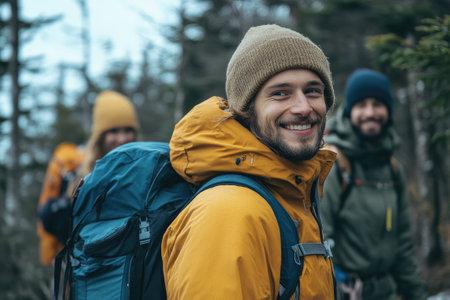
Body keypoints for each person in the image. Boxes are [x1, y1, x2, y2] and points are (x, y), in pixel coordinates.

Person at [161, 24, 337, 299]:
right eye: (280, 93)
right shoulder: (229, 212)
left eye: (313, 91)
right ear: (246, 110)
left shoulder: (293, 194)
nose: (303, 107)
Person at [320, 69, 428, 300]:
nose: (370, 112)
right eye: (361, 105)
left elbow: (404, 244)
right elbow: (320, 237)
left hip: (385, 292)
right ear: (350, 111)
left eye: (377, 104)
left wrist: (416, 294)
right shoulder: (335, 163)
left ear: (388, 110)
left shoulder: (392, 168)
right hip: (345, 293)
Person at [37, 90, 139, 265]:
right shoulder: (79, 174)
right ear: (100, 136)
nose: (122, 138)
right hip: (86, 269)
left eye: (127, 130)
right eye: (113, 131)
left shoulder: (141, 167)